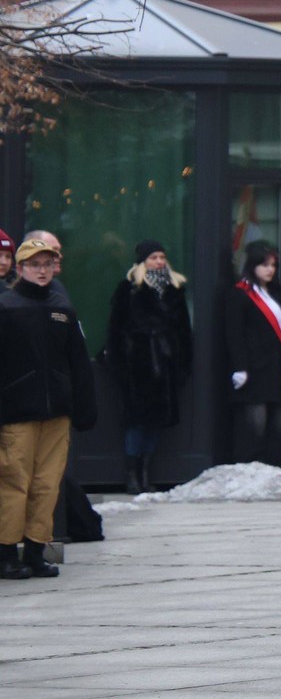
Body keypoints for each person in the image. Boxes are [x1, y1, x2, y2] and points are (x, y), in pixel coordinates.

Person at [0, 235, 94, 580]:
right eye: (34, 265)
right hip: (16, 413)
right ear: (20, 268)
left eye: (47, 264)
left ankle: (36, 549)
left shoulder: (63, 309)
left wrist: (83, 407)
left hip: (56, 412)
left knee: (48, 483)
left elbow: (78, 363)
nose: (42, 270)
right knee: (13, 481)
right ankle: (7, 553)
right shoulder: (6, 307)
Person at [104, 240, 192, 494]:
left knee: (155, 422)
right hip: (138, 367)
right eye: (154, 257)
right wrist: (122, 363)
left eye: (162, 257)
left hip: (165, 366)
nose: (159, 262)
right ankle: (132, 474)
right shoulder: (129, 289)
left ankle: (145, 472)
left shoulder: (174, 290)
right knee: (136, 422)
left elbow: (184, 331)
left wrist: (182, 364)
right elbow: (115, 328)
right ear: (143, 261)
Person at [226, 242, 281, 465]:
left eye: (273, 265)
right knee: (255, 425)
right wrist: (239, 367)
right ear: (252, 266)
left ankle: (272, 465)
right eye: (264, 265)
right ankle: (248, 465)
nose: (270, 270)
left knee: (278, 425)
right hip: (253, 367)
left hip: (276, 367)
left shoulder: (276, 292)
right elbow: (234, 333)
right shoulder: (240, 294)